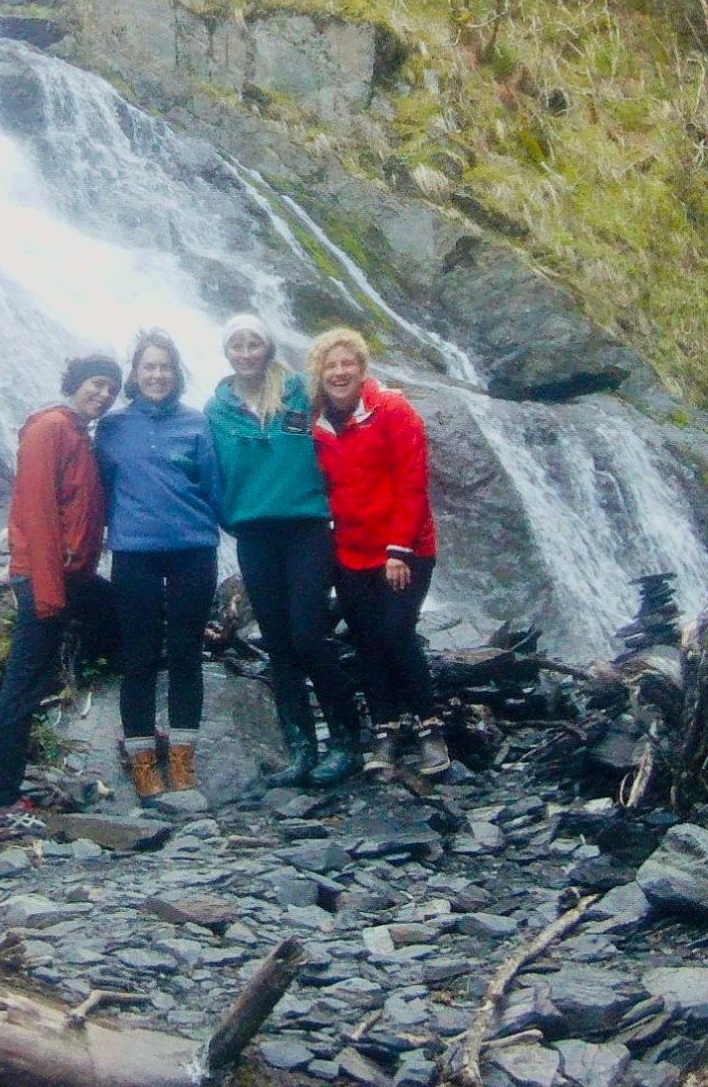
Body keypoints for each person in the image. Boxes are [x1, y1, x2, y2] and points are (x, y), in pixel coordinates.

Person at [206, 313, 365, 788]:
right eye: (237, 345)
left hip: (306, 529)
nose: (246, 353)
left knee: (308, 637)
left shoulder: (299, 390)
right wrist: (230, 517)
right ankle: (300, 749)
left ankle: (347, 743)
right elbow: (209, 472)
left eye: (254, 343)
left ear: (268, 348)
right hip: (255, 535)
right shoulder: (216, 410)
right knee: (277, 645)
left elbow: (350, 397)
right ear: (227, 352)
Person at [0, 351, 122, 819]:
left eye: (111, 388)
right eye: (96, 383)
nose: (103, 394)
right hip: (44, 576)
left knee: (122, 614)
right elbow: (38, 512)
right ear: (75, 383)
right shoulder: (50, 428)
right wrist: (48, 595)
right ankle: (3, 797)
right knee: (23, 684)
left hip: (72, 576)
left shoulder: (79, 433)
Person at [307, 327, 449, 778]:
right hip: (350, 551)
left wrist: (399, 550)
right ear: (319, 373)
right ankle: (385, 730)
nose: (339, 372)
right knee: (367, 640)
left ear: (362, 368)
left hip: (404, 548)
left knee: (396, 631)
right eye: (330, 365)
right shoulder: (315, 422)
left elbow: (412, 482)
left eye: (347, 363)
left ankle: (429, 728)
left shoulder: (392, 410)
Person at [95, 328, 223, 802]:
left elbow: (214, 486)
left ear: (176, 374)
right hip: (134, 552)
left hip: (193, 549)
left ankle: (183, 759)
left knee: (187, 654)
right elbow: (97, 490)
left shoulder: (197, 424)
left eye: (165, 367)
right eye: (148, 367)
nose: (157, 375)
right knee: (140, 657)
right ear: (135, 374)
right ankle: (143, 760)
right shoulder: (111, 427)